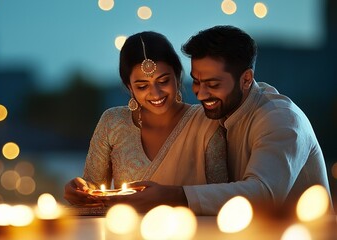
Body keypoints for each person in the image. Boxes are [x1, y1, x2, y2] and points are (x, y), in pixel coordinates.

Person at [101, 25, 333, 216]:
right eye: (197, 82)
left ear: (246, 79)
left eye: (212, 84)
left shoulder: (281, 120)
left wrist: (175, 195)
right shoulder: (221, 116)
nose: (200, 94)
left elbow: (262, 194)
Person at [64, 31, 228, 206]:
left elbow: (221, 197)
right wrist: (78, 190)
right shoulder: (113, 122)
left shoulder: (206, 122)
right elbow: (94, 190)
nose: (155, 93)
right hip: (126, 231)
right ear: (129, 88)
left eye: (163, 81)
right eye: (142, 86)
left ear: (178, 76)